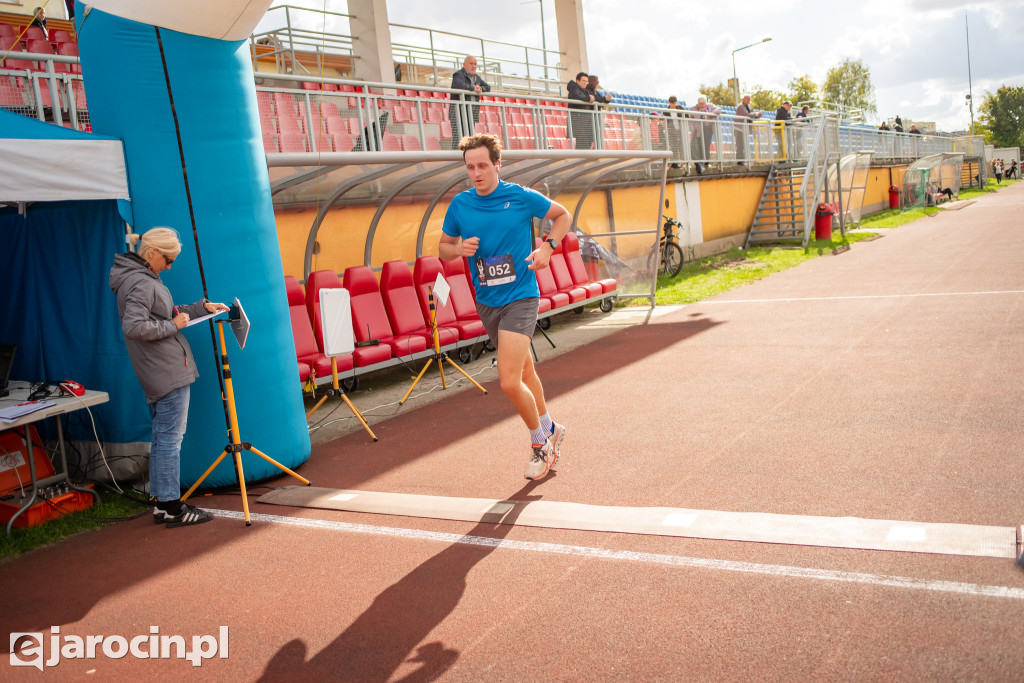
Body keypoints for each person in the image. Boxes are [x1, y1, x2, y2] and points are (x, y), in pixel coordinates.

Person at [439, 134, 571, 480]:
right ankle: (551, 427)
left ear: (498, 164)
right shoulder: (460, 205)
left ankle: (540, 444)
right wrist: (458, 251)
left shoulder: (519, 196)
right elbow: (443, 247)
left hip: (521, 296)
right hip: (487, 301)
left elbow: (563, 216)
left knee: (510, 382)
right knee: (526, 373)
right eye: (470, 167)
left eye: (483, 165)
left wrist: (547, 248)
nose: (477, 173)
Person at [109, 228, 229, 527]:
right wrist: (174, 325)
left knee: (165, 438)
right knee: (169, 440)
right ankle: (173, 508)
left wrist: (200, 308)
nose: (170, 266)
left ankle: (165, 504)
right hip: (165, 370)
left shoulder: (140, 278)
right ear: (152, 253)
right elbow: (135, 327)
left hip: (160, 368)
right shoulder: (140, 282)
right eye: (169, 259)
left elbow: (162, 315)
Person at [447, 55, 490, 147]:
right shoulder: (458, 75)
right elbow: (459, 85)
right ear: (464, 65)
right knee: (459, 137)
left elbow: (488, 87)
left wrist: (479, 88)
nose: (473, 66)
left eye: (475, 64)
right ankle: (457, 157)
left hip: (472, 111)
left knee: (469, 138)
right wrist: (473, 88)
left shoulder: (476, 77)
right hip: (459, 112)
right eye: (471, 63)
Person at [689, 95, 721, 174]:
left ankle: (706, 162)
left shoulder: (709, 106)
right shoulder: (693, 109)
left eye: (703, 104)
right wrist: (692, 129)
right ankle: (700, 162)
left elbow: (719, 110)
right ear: (698, 103)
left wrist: (711, 113)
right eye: (700, 104)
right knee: (699, 145)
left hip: (707, 129)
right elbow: (690, 120)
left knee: (706, 145)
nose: (701, 105)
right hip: (698, 130)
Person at [566, 72, 595, 150]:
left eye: (586, 81)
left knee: (587, 144)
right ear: (577, 81)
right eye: (583, 81)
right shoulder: (574, 88)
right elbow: (577, 96)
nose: (585, 83)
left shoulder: (585, 91)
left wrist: (605, 100)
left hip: (585, 124)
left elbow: (593, 98)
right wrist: (588, 98)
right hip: (579, 124)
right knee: (582, 147)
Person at [733, 94, 762, 165]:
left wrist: (757, 115)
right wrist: (756, 114)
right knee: (740, 145)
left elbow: (753, 115)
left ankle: (743, 160)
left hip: (744, 130)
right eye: (747, 99)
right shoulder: (740, 106)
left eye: (749, 99)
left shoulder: (749, 107)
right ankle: (740, 161)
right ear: (743, 99)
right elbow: (747, 115)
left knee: (743, 145)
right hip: (739, 129)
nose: (748, 100)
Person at [665, 95, 686, 167]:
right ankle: (675, 163)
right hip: (672, 132)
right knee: (674, 147)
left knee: (682, 146)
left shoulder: (680, 108)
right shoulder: (666, 111)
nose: (673, 104)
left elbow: (686, 116)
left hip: (680, 130)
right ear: (669, 103)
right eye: (671, 103)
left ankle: (684, 162)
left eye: (674, 103)